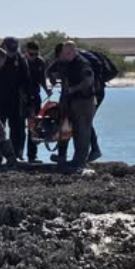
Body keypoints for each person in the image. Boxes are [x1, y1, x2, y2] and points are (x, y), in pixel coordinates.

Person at [0, 36, 30, 165]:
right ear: (3, 47)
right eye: (9, 50)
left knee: (18, 129)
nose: (11, 53)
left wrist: (28, 100)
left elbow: (26, 81)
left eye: (14, 50)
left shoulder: (20, 60)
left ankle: (17, 155)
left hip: (16, 101)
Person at [54, 41, 96, 173]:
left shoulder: (82, 63)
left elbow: (89, 81)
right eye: (65, 53)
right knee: (74, 131)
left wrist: (73, 89)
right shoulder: (66, 63)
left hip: (84, 101)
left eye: (69, 52)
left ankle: (81, 161)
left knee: (82, 131)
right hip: (72, 102)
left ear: (75, 51)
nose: (67, 55)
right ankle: (75, 160)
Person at [23, 40, 51, 163]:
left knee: (34, 127)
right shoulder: (20, 62)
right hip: (21, 99)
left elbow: (43, 79)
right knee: (18, 128)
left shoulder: (40, 62)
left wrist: (48, 89)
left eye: (36, 54)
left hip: (35, 97)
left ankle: (32, 156)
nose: (34, 57)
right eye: (31, 54)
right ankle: (16, 155)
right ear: (26, 51)